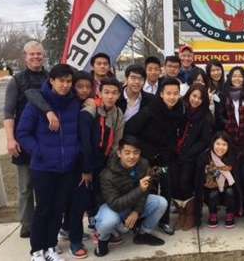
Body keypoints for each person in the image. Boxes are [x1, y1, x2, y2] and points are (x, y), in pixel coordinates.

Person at [16, 64, 82, 261]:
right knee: (43, 209)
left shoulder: (73, 103)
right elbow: (23, 133)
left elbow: (78, 132)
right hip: (44, 167)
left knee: (58, 209)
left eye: (69, 81)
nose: (65, 85)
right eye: (61, 81)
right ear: (51, 81)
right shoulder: (37, 104)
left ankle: (51, 246)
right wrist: (39, 152)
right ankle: (36, 250)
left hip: (67, 168)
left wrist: (75, 152)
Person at [124, 77, 185, 235]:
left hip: (163, 160)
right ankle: (143, 222)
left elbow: (175, 137)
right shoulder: (150, 110)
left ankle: (164, 222)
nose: (172, 97)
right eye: (168, 93)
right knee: (148, 188)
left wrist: (166, 153)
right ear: (161, 94)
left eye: (175, 93)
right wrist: (141, 152)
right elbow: (130, 129)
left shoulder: (179, 111)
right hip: (146, 159)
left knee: (166, 184)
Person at [3, 40, 48, 239]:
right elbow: (8, 111)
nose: (36, 57)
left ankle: (46, 218)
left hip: (47, 139)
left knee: (46, 184)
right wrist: (10, 139)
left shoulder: (51, 78)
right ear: (25, 56)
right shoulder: (17, 80)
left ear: (43, 55)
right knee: (26, 186)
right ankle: (27, 223)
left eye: (39, 54)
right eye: (32, 54)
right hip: (23, 140)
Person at [94, 136, 168, 257]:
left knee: (161, 202)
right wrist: (139, 190)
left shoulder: (143, 164)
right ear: (119, 153)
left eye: (136, 152)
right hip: (113, 208)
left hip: (134, 204)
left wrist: (136, 211)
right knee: (107, 222)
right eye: (127, 153)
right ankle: (103, 239)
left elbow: (145, 191)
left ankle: (143, 234)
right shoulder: (107, 175)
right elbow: (115, 204)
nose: (132, 157)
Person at [79, 78, 125, 244]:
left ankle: (105, 225)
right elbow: (84, 142)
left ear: (119, 94)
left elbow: (117, 142)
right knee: (88, 194)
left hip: (106, 160)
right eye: (106, 92)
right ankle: (94, 227)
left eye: (114, 93)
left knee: (103, 193)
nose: (110, 96)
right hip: (88, 160)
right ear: (99, 92)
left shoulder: (118, 113)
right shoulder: (90, 111)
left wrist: (112, 166)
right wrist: (86, 169)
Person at [171, 84, 213, 231]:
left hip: (191, 156)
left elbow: (205, 140)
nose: (196, 100)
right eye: (194, 96)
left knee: (185, 184)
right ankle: (181, 215)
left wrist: (188, 153)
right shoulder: (180, 109)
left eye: (200, 98)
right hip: (174, 153)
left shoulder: (205, 116)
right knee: (174, 184)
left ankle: (190, 216)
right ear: (189, 95)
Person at [195, 131, 241, 229]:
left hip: (228, 189)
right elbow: (201, 182)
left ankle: (230, 213)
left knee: (230, 191)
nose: (220, 147)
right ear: (213, 144)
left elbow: (237, 181)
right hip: (211, 189)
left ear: (228, 146)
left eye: (224, 144)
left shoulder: (233, 157)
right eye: (218, 144)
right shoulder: (205, 157)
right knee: (213, 193)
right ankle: (213, 213)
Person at [205, 59, 225, 130]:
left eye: (218, 69)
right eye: (213, 71)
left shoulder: (225, 87)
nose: (216, 73)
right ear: (208, 73)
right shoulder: (206, 89)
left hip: (224, 126)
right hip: (210, 127)